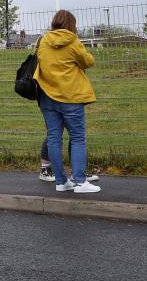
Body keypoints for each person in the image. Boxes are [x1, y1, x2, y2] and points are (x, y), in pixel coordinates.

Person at [33, 10, 100, 193]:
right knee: (77, 138)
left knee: (54, 138)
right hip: (71, 96)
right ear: (72, 24)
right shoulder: (73, 41)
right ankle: (80, 181)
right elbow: (88, 62)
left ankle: (61, 181)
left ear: (54, 22)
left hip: (47, 96)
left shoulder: (43, 41)